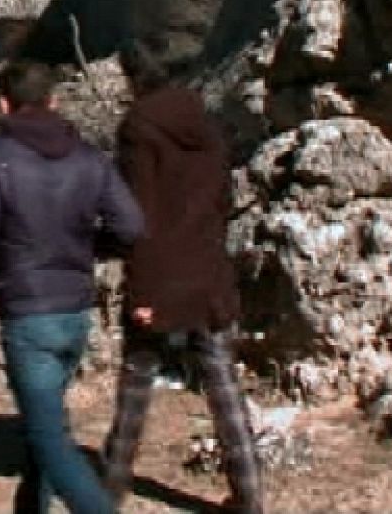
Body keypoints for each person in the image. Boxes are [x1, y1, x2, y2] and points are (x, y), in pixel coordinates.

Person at [0, 59, 146, 514]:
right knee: (45, 425)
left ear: (3, 103)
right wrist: (88, 248)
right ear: (54, 100)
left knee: (48, 438)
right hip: (76, 310)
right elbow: (132, 226)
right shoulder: (89, 157)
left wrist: (1, 267)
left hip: (27, 311)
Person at [100, 40, 265, 514]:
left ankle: (109, 493)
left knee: (135, 389)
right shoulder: (208, 126)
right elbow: (223, 202)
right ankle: (250, 497)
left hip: (158, 275)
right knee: (223, 384)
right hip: (209, 272)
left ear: (132, 78)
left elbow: (136, 216)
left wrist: (143, 290)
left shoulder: (137, 128)